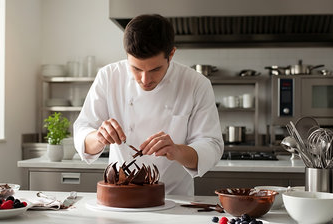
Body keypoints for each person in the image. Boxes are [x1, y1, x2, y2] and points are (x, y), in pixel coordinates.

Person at [73, 14, 223, 196]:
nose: (145, 80)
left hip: (174, 200)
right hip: (121, 199)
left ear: (171, 54)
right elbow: (82, 129)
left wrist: (177, 151)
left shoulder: (196, 84)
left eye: (155, 69)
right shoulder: (108, 76)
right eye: (136, 69)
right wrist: (99, 137)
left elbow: (211, 145)